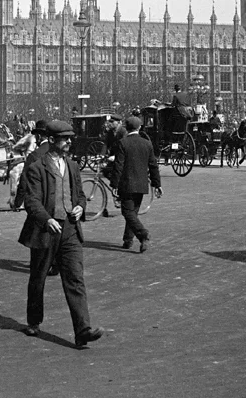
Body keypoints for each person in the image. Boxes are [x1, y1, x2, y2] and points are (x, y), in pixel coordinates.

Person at [18, 120, 104, 348]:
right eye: (65, 139)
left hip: (70, 230)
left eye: (70, 139)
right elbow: (31, 200)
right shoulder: (37, 167)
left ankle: (82, 330)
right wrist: (45, 219)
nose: (69, 142)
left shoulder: (73, 166)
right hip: (46, 230)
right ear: (53, 141)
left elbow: (81, 196)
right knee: (38, 278)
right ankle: (34, 321)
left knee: (75, 278)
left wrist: (80, 207)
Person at [109, 116, 161, 252]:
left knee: (127, 212)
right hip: (141, 184)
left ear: (126, 127)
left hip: (126, 184)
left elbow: (118, 166)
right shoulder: (147, 143)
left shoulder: (123, 143)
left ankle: (143, 234)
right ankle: (128, 240)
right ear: (139, 128)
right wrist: (157, 184)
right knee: (133, 213)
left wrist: (114, 184)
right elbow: (153, 165)